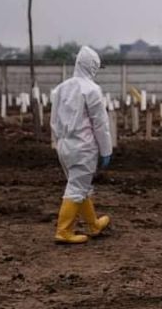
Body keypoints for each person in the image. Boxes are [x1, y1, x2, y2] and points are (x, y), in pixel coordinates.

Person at [50, 46, 113, 245]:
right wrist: (106, 150)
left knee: (80, 186)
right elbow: (100, 124)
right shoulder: (92, 90)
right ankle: (63, 230)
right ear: (92, 66)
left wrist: (59, 141)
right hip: (83, 147)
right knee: (77, 188)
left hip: (64, 145)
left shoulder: (61, 88)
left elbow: (54, 120)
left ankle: (93, 224)